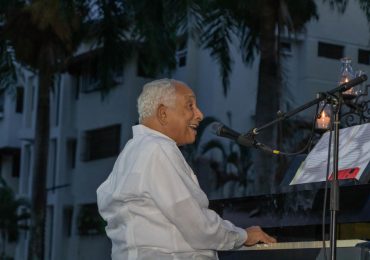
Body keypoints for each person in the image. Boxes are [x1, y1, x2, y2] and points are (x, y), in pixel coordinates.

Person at [96, 78, 276, 260]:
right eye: (190, 106)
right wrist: (244, 236)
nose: (200, 114)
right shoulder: (158, 149)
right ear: (163, 113)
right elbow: (196, 225)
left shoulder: (132, 152)